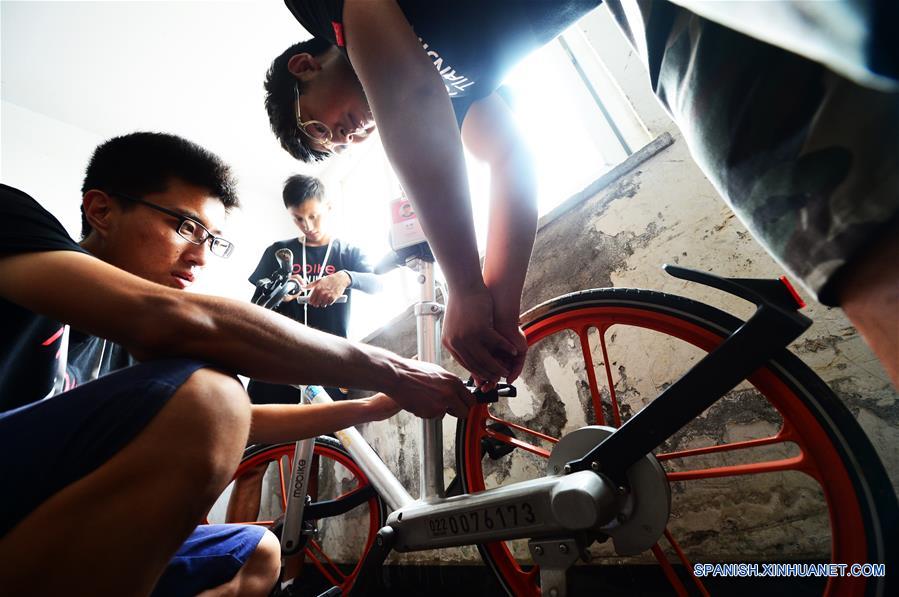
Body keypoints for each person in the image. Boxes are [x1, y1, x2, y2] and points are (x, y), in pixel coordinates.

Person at [263, 0, 899, 388]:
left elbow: (407, 95)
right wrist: (498, 306)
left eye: (321, 127)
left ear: (305, 67)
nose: (343, 138)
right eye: (333, 148)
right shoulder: (448, 79)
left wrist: (461, 288)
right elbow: (510, 156)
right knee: (832, 203)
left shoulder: (325, 9)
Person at [0, 131, 474, 596]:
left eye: (213, 239)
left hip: (56, 519)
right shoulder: (15, 222)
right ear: (101, 210)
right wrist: (390, 368)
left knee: (258, 552)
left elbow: (243, 420)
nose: (201, 257)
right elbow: (173, 324)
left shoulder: (132, 347)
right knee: (212, 395)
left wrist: (368, 407)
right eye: (185, 227)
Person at [247, 173, 382, 404]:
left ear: (328, 207)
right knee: (267, 438)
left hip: (328, 364)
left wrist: (345, 277)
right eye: (298, 219)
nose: (307, 226)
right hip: (276, 364)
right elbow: (255, 307)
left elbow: (377, 284)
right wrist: (281, 293)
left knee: (327, 439)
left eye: (313, 216)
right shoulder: (279, 252)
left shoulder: (348, 253)